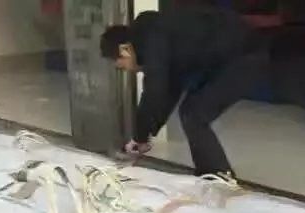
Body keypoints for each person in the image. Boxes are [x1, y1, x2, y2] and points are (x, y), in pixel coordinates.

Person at [100, 7, 266, 177]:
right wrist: (146, 134)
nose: (127, 70)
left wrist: (139, 137)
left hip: (245, 55)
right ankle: (211, 173)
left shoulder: (153, 40)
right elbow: (170, 89)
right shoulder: (154, 38)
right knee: (190, 112)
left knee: (194, 114)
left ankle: (219, 176)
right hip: (233, 55)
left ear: (125, 50)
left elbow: (154, 91)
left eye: (122, 66)